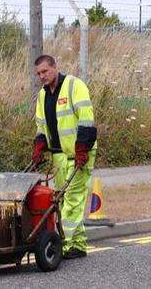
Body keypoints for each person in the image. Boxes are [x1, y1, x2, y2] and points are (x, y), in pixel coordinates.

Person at [32, 54, 97, 259]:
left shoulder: (74, 86)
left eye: (45, 71)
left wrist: (82, 149)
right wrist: (40, 144)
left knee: (72, 200)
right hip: (59, 155)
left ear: (54, 67)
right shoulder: (43, 95)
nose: (42, 76)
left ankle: (64, 245)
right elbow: (41, 124)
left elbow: (87, 121)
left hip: (80, 154)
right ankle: (78, 245)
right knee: (59, 202)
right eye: (39, 74)